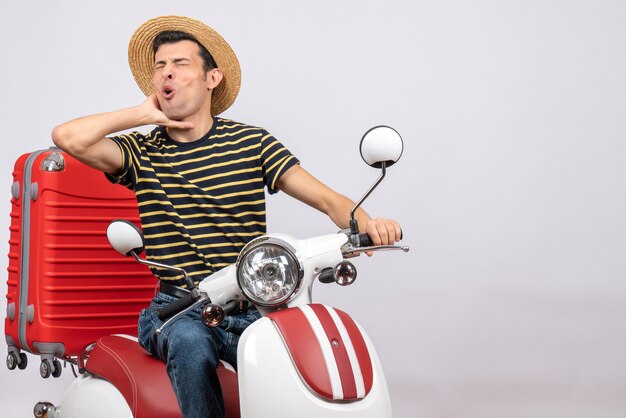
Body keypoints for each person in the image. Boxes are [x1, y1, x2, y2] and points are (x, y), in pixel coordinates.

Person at [52, 15, 402, 418]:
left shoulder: (251, 143)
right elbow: (67, 138)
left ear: (211, 78)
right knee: (191, 345)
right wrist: (141, 115)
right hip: (179, 308)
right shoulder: (141, 152)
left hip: (255, 305)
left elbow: (326, 199)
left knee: (303, 354)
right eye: (159, 67)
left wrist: (368, 222)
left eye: (180, 63)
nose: (167, 72)